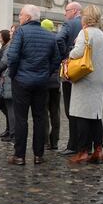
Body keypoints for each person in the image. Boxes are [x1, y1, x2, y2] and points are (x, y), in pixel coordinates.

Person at [7, 4, 60, 165]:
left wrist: (13, 74)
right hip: (41, 82)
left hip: (22, 81)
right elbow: (56, 60)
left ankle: (20, 156)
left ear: (28, 18)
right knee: (40, 117)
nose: (19, 17)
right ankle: (38, 155)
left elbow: (12, 56)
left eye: (21, 15)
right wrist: (45, 73)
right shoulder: (50, 35)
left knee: (21, 118)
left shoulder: (21, 32)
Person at [66, 5, 103, 164]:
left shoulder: (84, 33)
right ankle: (98, 150)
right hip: (98, 79)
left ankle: (83, 151)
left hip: (85, 79)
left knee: (81, 115)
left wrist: (73, 48)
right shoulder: (102, 35)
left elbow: (76, 53)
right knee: (96, 115)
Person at [56, 2, 83, 156]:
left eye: (66, 10)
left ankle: (73, 145)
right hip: (85, 73)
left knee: (70, 110)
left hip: (70, 72)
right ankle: (85, 145)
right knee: (84, 111)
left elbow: (58, 39)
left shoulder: (69, 24)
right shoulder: (88, 26)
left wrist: (64, 56)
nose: (65, 13)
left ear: (74, 11)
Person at [41, 19, 62, 150]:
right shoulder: (57, 40)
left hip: (44, 81)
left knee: (43, 112)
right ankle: (54, 141)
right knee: (55, 112)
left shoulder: (43, 41)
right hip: (56, 82)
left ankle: (45, 141)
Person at [0, 29, 15, 142]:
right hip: (5, 79)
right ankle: (9, 130)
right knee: (3, 104)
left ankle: (12, 133)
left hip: (7, 80)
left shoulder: (8, 47)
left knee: (9, 107)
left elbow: (4, 63)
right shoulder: (6, 46)